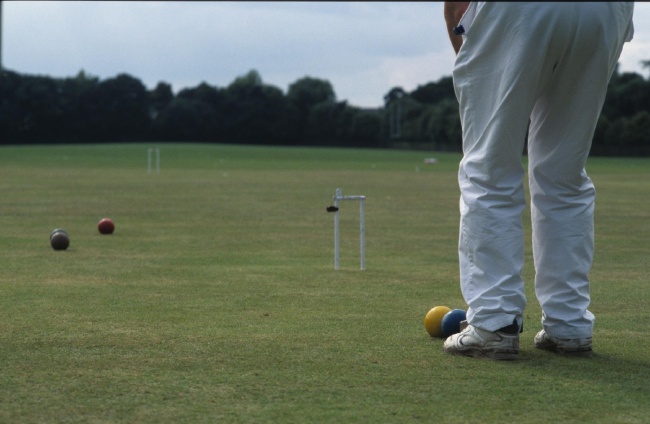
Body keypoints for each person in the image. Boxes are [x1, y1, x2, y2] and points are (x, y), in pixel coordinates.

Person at [441, 2, 635, 360]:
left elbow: (456, 8)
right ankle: (569, 324)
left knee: (489, 170)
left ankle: (494, 322)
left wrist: (479, 64)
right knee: (564, 177)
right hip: (607, 10)